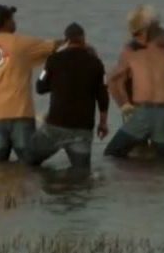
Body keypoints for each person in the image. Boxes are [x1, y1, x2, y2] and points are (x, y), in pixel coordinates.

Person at [0, 5, 62, 162]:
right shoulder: (21, 44)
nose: (14, 22)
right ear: (7, 22)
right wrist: (73, 40)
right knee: (30, 164)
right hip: (20, 114)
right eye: (12, 18)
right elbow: (54, 46)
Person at [26, 22, 109, 169]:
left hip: (55, 127)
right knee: (81, 173)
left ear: (66, 40)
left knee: (28, 161)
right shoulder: (96, 64)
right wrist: (103, 123)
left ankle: (43, 188)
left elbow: (40, 86)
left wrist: (58, 79)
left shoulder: (53, 60)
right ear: (83, 39)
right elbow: (103, 96)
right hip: (82, 129)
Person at [104, 24, 164, 158]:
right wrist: (124, 105)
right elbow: (114, 83)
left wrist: (123, 104)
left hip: (148, 112)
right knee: (162, 155)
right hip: (149, 112)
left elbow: (113, 82)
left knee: (122, 153)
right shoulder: (137, 59)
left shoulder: (139, 58)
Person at [109, 4, 164, 120]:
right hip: (136, 108)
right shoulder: (130, 51)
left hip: (153, 108)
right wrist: (124, 105)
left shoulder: (162, 49)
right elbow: (115, 81)